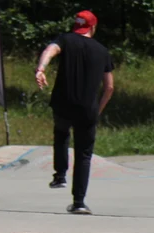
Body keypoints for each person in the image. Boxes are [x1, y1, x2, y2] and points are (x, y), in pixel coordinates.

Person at [35, 10, 114, 215]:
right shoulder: (102, 51)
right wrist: (98, 109)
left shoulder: (66, 39)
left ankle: (60, 175)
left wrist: (41, 69)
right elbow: (109, 87)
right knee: (84, 154)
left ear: (76, 25)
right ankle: (79, 202)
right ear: (93, 28)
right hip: (87, 109)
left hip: (63, 103)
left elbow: (50, 50)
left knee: (61, 133)